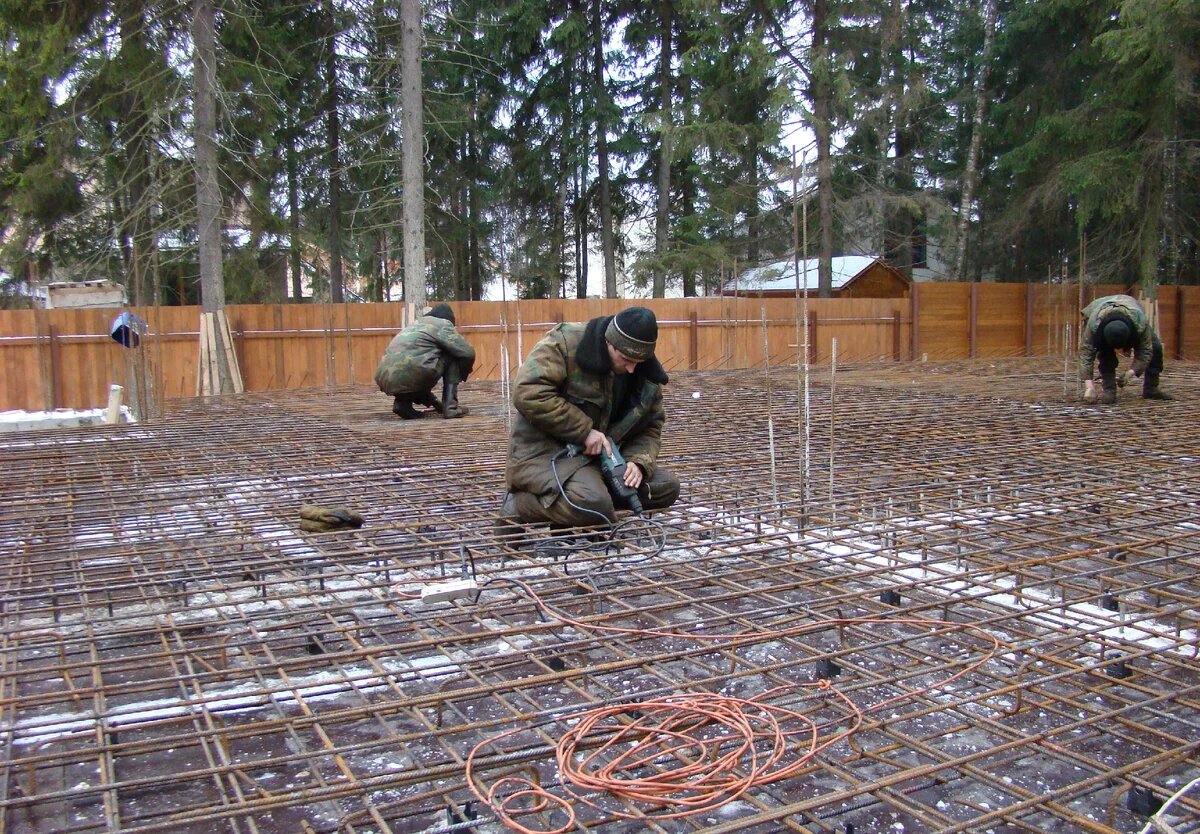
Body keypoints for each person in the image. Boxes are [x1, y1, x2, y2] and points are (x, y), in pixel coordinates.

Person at [498, 306, 680, 529]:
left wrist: (638, 462)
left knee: (665, 487)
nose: (632, 369)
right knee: (593, 503)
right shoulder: (564, 343)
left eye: (638, 361)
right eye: (625, 359)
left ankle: (581, 506)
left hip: (601, 461)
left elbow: (650, 427)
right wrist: (583, 432)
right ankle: (519, 505)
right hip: (546, 455)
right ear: (609, 343)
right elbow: (528, 391)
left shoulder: (644, 374)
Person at [374, 303, 475, 419]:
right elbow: (467, 353)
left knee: (415, 364)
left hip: (384, 377)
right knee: (452, 354)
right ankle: (451, 407)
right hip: (414, 372)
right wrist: (463, 372)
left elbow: (410, 365)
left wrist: (436, 404)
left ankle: (402, 404)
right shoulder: (442, 324)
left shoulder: (414, 325)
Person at [1078, 294, 1172, 404]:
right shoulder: (1094, 324)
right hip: (1099, 308)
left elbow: (1146, 351)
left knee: (1155, 347)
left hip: (1129, 305)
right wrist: (1089, 387)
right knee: (1105, 354)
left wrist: (1131, 372)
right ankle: (1109, 390)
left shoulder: (1139, 322)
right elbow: (1086, 353)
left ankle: (1151, 388)